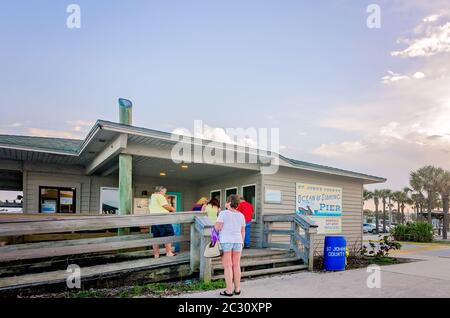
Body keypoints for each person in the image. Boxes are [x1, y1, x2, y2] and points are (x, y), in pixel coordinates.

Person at [215, 194, 246, 296]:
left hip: (226, 241)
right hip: (238, 241)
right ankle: (237, 289)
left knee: (228, 266)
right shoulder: (241, 215)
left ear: (228, 202)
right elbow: (243, 231)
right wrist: (242, 243)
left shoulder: (223, 213)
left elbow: (217, 228)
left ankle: (229, 290)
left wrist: (214, 240)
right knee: (236, 265)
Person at [149, 186, 176, 258]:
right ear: (161, 191)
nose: (164, 194)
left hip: (154, 219)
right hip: (163, 219)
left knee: (156, 237)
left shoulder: (152, 197)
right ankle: (169, 252)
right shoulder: (159, 196)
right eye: (164, 192)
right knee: (168, 234)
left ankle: (156, 254)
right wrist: (173, 209)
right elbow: (165, 206)